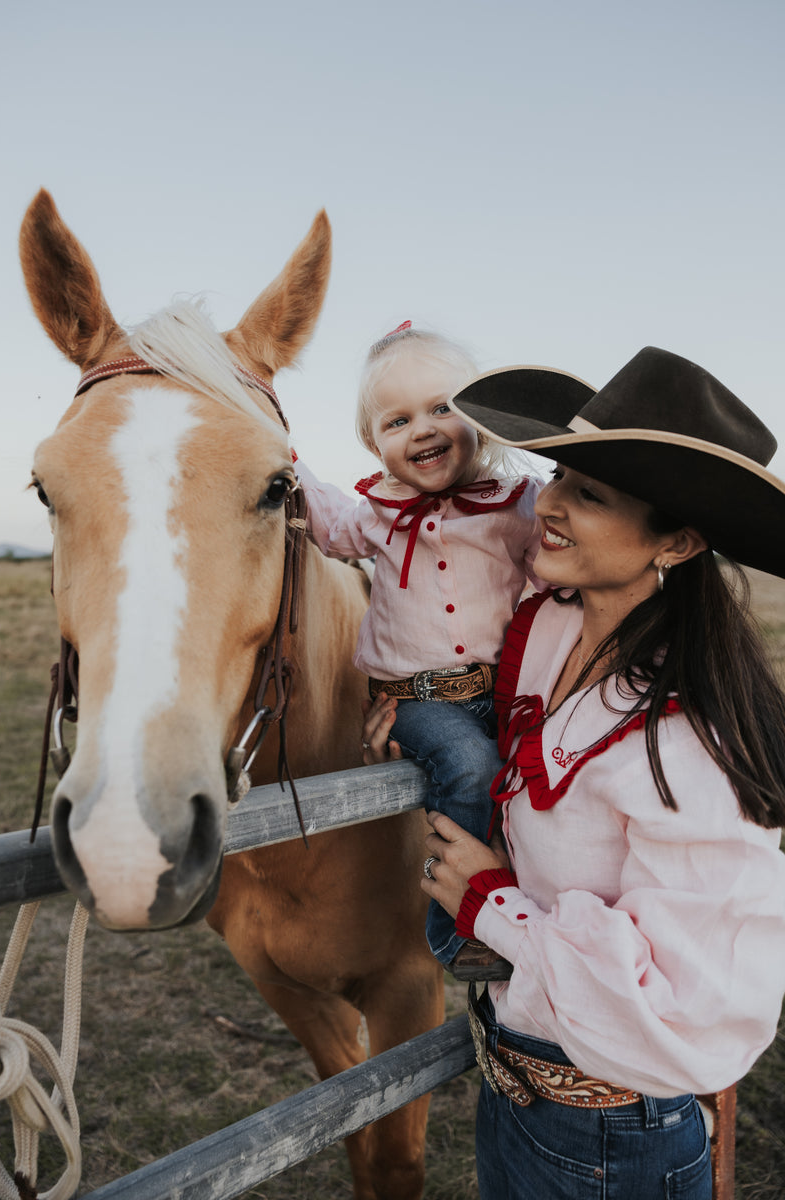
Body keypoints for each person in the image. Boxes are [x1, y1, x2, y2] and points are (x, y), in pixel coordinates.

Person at [363, 346, 785, 1199]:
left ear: (678, 539)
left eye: (587, 496)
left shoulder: (691, 741)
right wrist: (413, 714)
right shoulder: (548, 630)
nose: (546, 505)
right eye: (557, 476)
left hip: (614, 1136)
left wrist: (494, 902)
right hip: (516, 1086)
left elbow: (686, 1006)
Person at [294, 321, 558, 975]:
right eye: (398, 420)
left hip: (499, 689)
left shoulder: (519, 505)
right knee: (471, 763)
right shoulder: (376, 514)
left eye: (444, 407)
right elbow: (326, 526)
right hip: (414, 700)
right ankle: (458, 928)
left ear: (483, 417)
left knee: (536, 769)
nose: (425, 428)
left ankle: (536, 901)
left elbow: (557, 571)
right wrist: (281, 454)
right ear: (374, 443)